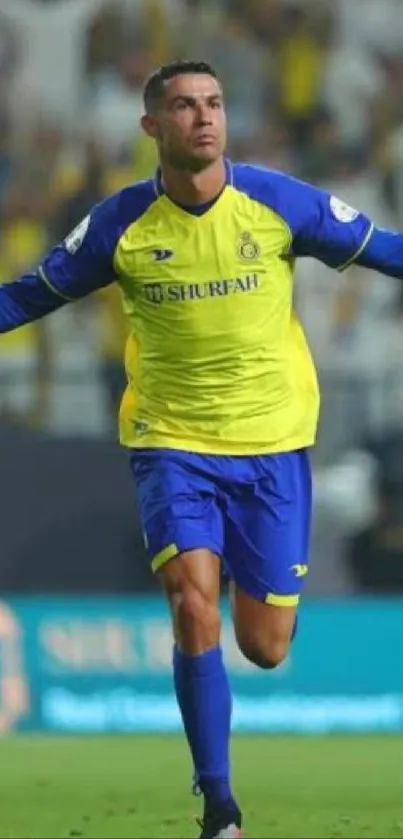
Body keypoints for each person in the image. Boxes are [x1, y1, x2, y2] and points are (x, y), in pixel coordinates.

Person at [1, 58, 402, 838]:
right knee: (191, 604)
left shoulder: (276, 202)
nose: (203, 117)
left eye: (213, 102)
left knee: (265, 645)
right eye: (184, 106)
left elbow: (383, 246)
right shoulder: (119, 224)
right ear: (153, 126)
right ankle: (219, 806)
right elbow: (27, 294)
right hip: (171, 443)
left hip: (272, 444)